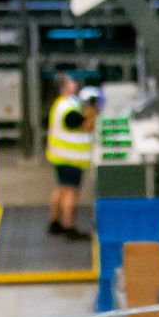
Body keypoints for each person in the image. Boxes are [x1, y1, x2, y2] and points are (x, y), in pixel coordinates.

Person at [45, 74, 93, 239]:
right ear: (65, 87)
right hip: (71, 158)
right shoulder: (68, 109)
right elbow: (81, 124)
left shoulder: (61, 104)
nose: (75, 83)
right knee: (71, 193)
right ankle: (69, 226)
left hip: (59, 156)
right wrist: (92, 113)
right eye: (72, 82)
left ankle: (54, 222)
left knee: (61, 188)